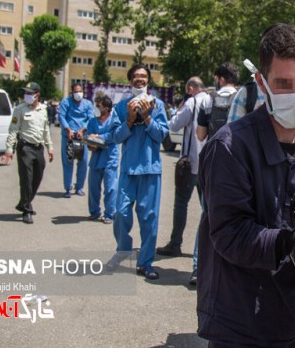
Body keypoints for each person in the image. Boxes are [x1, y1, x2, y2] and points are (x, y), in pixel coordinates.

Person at [197, 23, 295, 347]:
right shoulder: (230, 148)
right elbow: (229, 233)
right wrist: (293, 240)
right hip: (241, 323)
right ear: (261, 83)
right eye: (283, 84)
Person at [108, 64, 169, 280]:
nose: (140, 79)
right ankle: (123, 250)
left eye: (143, 76)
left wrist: (148, 117)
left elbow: (162, 135)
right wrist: (131, 120)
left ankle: (145, 263)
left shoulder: (158, 105)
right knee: (120, 213)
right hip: (128, 170)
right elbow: (115, 137)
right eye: (136, 76)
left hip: (150, 169)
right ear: (130, 80)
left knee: (149, 218)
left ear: (149, 81)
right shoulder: (122, 106)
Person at [155, 77, 212, 285]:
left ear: (190, 88)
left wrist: (178, 109)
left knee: (181, 204)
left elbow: (174, 124)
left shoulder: (192, 102)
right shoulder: (213, 100)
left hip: (190, 164)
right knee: (208, 212)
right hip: (210, 165)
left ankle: (175, 243)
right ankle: (204, 256)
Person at [2, 82, 54, 224]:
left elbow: (46, 130)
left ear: (37, 95)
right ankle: (26, 210)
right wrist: (9, 149)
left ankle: (24, 203)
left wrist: (50, 147)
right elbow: (13, 129)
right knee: (26, 179)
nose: (27, 96)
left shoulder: (43, 109)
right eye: (26, 93)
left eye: (30, 93)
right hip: (25, 148)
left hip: (39, 148)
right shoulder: (20, 109)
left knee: (37, 178)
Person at [85, 94, 119, 224]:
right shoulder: (92, 122)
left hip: (110, 158)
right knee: (93, 187)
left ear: (107, 108)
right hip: (96, 159)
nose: (96, 108)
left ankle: (109, 214)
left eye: (99, 106)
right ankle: (94, 211)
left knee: (110, 188)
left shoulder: (114, 121)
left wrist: (98, 137)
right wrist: (92, 142)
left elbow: (113, 136)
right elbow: (90, 139)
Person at [58, 83, 94, 198]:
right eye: (76, 91)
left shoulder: (88, 103)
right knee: (68, 161)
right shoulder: (66, 102)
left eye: (80, 91)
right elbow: (61, 116)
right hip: (68, 136)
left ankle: (79, 187)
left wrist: (82, 130)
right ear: (72, 92)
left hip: (82, 136)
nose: (78, 93)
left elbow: (90, 118)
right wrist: (68, 129)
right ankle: (68, 188)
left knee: (83, 162)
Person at [196, 62, 238, 141]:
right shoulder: (241, 98)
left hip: (214, 151)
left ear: (221, 80)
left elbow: (201, 136)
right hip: (236, 151)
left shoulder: (207, 99)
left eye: (216, 80)